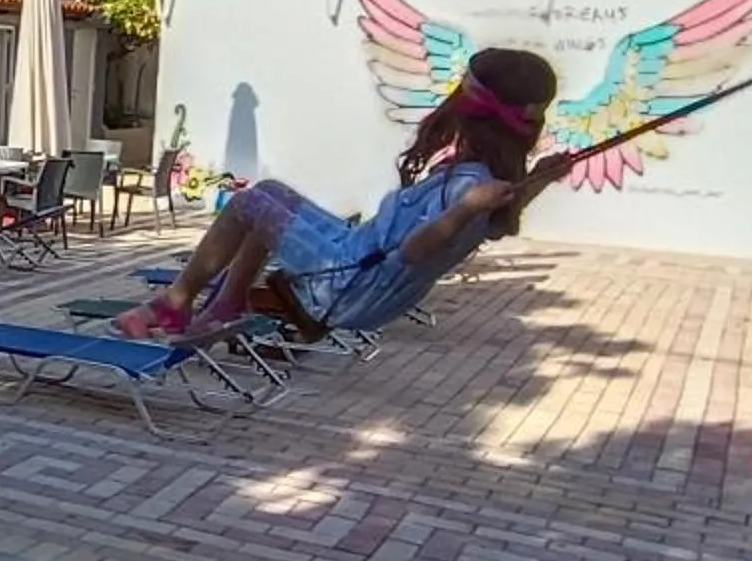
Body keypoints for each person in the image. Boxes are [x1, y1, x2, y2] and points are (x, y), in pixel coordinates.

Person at [114, 47, 563, 342]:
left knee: (248, 203)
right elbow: (495, 217)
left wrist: (466, 208)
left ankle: (174, 304)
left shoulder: (469, 188)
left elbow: (417, 248)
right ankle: (226, 303)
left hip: (348, 282)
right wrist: (539, 180)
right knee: (267, 195)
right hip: (356, 264)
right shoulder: (484, 182)